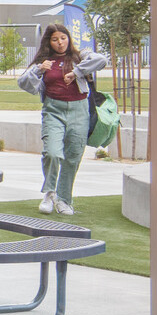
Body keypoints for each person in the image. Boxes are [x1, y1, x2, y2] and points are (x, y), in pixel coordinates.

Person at [18, 23, 108, 216]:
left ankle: (64, 199)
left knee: (73, 156)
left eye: (63, 38)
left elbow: (101, 60)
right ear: (49, 42)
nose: (60, 43)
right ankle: (49, 193)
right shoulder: (43, 62)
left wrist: (76, 72)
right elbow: (23, 83)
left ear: (69, 39)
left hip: (79, 110)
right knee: (52, 152)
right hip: (53, 110)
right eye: (55, 39)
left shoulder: (80, 56)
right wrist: (39, 70)